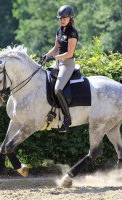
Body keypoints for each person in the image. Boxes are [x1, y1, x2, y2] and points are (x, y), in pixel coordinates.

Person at [44, 5, 78, 133]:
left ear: (70, 18)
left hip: (67, 64)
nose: (62, 20)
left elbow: (69, 53)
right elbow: (55, 48)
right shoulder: (59, 30)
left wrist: (54, 58)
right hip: (58, 63)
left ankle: (67, 118)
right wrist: (45, 56)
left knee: (58, 89)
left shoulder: (72, 33)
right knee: (45, 81)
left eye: (64, 18)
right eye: (60, 18)